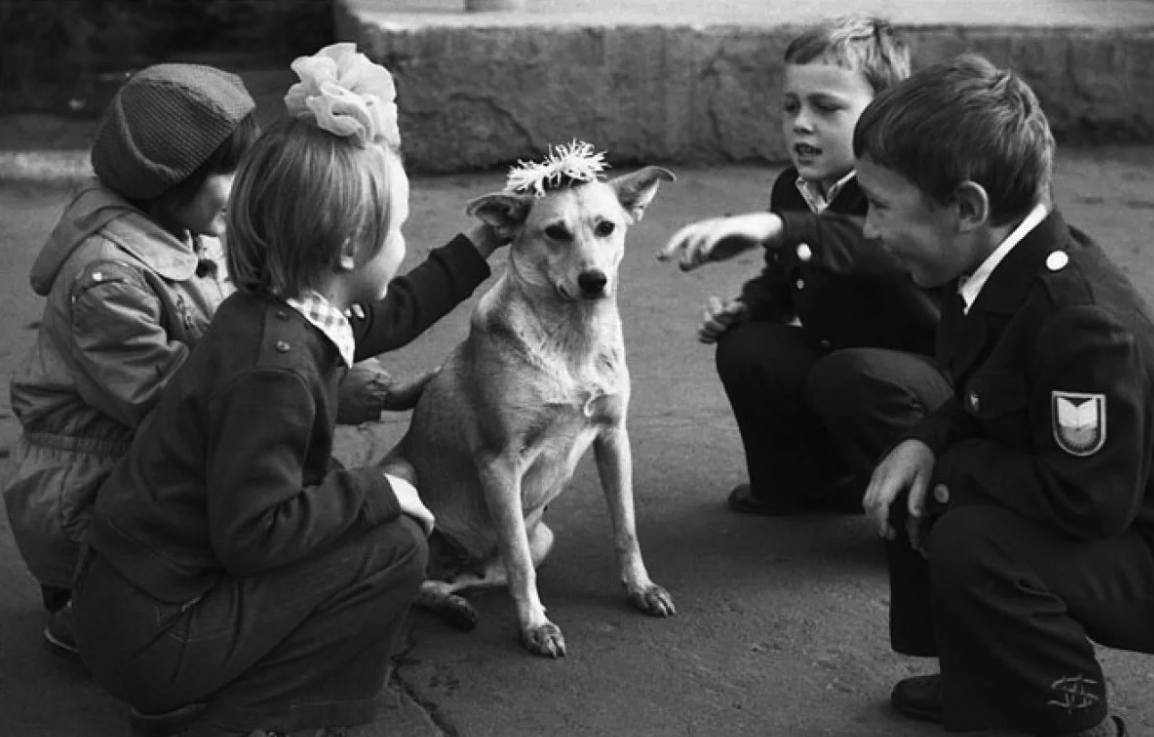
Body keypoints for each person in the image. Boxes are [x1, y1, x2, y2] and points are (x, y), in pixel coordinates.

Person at [70, 42, 505, 737]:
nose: (403, 243)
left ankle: (245, 691)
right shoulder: (276, 367)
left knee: (376, 533)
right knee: (394, 546)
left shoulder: (274, 310)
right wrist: (376, 489)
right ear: (346, 250)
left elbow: (388, 314)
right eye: (397, 230)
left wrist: (479, 242)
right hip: (157, 634)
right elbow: (254, 534)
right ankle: (243, 719)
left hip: (134, 601)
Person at [859, 54, 1153, 737]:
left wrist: (950, 470)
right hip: (1107, 513)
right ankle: (989, 681)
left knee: (970, 529)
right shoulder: (1000, 266)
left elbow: (1089, 500)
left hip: (1135, 538)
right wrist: (923, 440)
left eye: (878, 205)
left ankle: (1065, 716)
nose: (869, 229)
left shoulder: (1081, 321)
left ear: (967, 207)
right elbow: (981, 395)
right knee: (922, 470)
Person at [3, 62, 261, 655]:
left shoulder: (181, 227)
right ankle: (91, 615)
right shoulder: (108, 279)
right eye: (229, 170)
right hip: (88, 506)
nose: (246, 185)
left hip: (132, 473)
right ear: (171, 180)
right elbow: (170, 410)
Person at [658, 15, 948, 515]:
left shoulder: (909, 185)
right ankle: (808, 484)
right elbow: (786, 276)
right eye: (791, 107)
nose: (802, 123)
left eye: (826, 107)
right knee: (749, 347)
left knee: (851, 373)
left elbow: (872, 249)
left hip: (929, 388)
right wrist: (748, 306)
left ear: (885, 112)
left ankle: (915, 512)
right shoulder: (793, 188)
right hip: (848, 373)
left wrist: (783, 228)